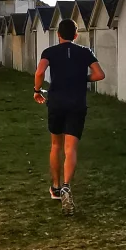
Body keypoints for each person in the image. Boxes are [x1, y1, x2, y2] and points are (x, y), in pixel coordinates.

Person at [34, 19, 104, 213]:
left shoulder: (49, 52)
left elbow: (39, 72)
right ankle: (66, 186)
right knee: (70, 148)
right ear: (75, 35)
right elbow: (99, 74)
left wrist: (36, 90)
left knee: (56, 145)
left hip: (56, 102)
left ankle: (55, 188)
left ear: (58, 34)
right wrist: (83, 78)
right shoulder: (85, 52)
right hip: (77, 104)